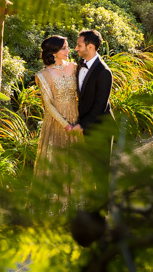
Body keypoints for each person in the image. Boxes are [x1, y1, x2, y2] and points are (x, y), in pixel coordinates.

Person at [69, 28, 115, 199]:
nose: (76, 49)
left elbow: (100, 105)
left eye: (79, 45)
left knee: (101, 169)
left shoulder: (104, 72)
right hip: (86, 126)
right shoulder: (79, 66)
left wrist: (82, 125)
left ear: (90, 47)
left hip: (101, 127)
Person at [33, 36, 81, 177]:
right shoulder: (43, 75)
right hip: (56, 123)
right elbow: (48, 104)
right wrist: (65, 124)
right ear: (54, 52)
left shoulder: (74, 67)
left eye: (67, 46)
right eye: (64, 48)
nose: (68, 50)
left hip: (77, 117)